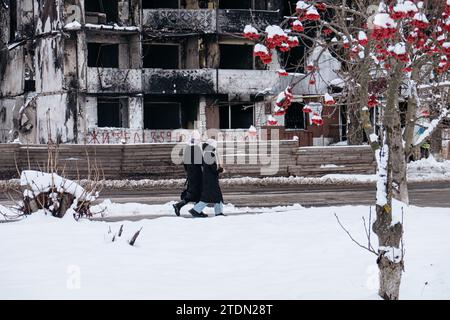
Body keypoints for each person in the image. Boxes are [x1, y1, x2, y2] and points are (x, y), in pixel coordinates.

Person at [189, 139, 226, 217]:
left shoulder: (206, 153)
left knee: (216, 196)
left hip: (208, 179)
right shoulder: (210, 155)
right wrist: (220, 170)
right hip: (211, 180)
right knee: (208, 197)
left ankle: (218, 212)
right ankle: (195, 210)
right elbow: (213, 170)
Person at [173, 131, 205, 217]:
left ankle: (180, 206)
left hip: (191, 175)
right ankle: (196, 210)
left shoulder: (187, 149)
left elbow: (185, 165)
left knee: (193, 193)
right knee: (201, 192)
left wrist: (189, 172)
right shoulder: (196, 149)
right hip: (197, 175)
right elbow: (202, 163)